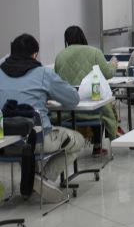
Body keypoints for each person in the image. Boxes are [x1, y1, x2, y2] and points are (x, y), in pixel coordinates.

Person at [0, 34, 85, 203]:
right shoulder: (43, 74)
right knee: (78, 140)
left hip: (5, 142)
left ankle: (32, 177)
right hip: (37, 140)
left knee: (25, 145)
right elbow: (72, 99)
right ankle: (40, 178)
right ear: (34, 54)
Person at [54, 26, 120, 154]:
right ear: (83, 36)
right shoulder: (94, 52)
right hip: (93, 104)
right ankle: (97, 145)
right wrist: (113, 64)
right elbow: (107, 74)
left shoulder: (60, 56)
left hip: (68, 107)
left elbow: (57, 80)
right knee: (102, 105)